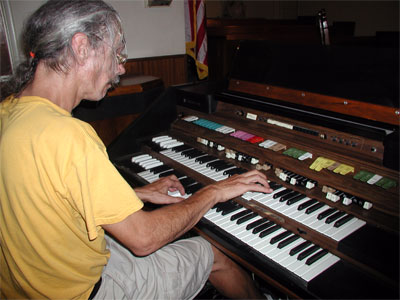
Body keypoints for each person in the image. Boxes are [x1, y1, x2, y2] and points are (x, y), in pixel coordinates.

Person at [0, 0, 273, 299]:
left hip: (30, 282)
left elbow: (47, 194)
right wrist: (214, 191)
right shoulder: (68, 135)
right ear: (81, 47)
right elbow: (144, 239)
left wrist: (138, 194)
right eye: (116, 52)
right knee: (213, 253)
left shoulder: (9, 111)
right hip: (85, 293)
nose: (121, 67)